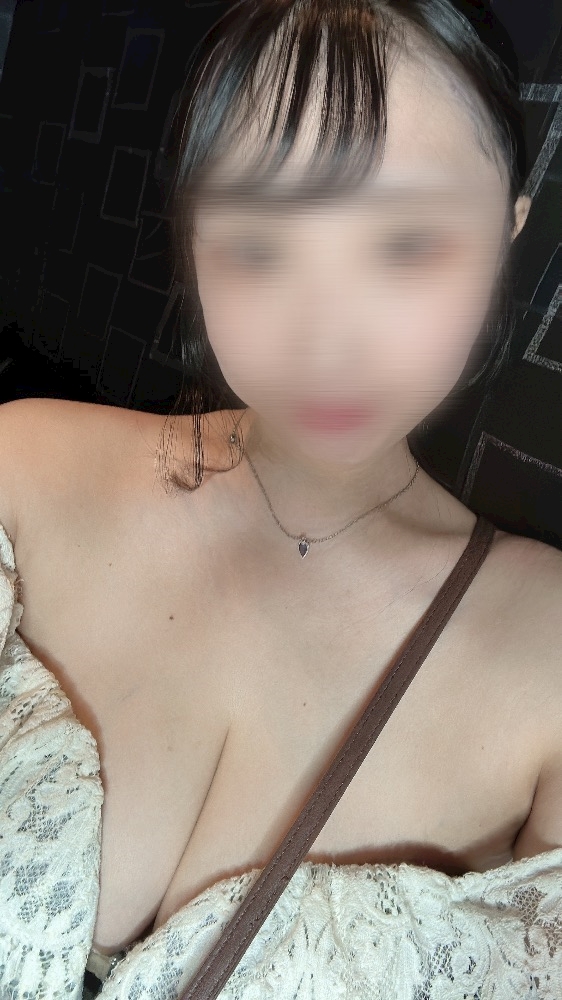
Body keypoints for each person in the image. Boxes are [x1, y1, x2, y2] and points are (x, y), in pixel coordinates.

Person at [1, 1, 561, 997]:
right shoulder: (22, 468)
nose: (326, 339)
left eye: (406, 244)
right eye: (258, 246)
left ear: (506, 231)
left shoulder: (547, 659)